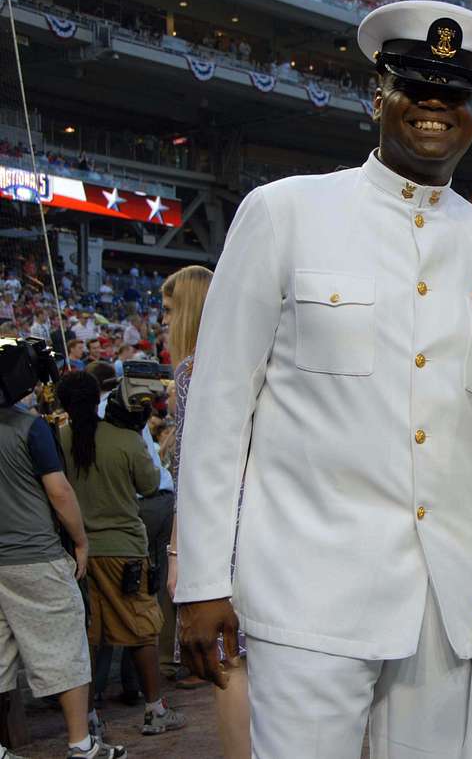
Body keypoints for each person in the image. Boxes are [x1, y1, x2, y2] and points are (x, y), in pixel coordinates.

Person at [175, 0, 472, 759]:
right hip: (308, 591)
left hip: (450, 602)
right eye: (414, 87)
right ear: (377, 95)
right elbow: (220, 407)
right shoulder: (286, 211)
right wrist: (201, 580)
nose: (434, 106)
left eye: (454, 95)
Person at [0, 347, 127, 759]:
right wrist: (80, 541)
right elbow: (59, 491)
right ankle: (81, 744)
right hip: (35, 555)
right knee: (68, 651)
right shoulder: (30, 427)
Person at [55, 373, 185, 737]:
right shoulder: (124, 439)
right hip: (125, 548)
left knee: (89, 635)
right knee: (142, 629)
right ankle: (154, 709)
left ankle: (90, 718)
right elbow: (148, 484)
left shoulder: (58, 439)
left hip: (79, 552)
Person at [163, 266, 250, 755]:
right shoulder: (243, 361)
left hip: (220, 533)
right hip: (262, 524)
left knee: (228, 665)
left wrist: (179, 555)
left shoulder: (195, 370)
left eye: (170, 310)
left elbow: (192, 472)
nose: (163, 320)